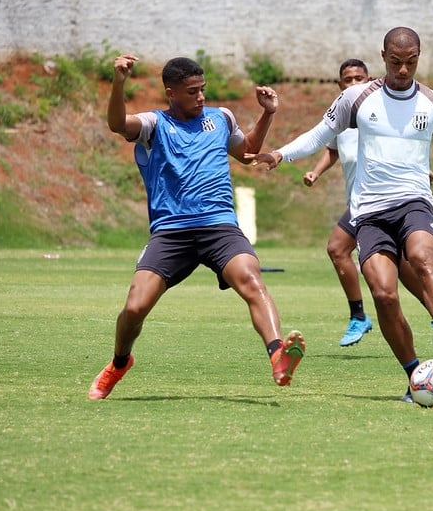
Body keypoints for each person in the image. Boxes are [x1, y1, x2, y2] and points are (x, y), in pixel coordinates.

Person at [247, 27, 433, 401]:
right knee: (384, 294)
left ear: (419, 56)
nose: (403, 70)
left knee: (421, 256)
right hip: (369, 211)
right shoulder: (357, 98)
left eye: (411, 62)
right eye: (396, 62)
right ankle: (413, 374)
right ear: (383, 56)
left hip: (414, 201)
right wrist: (279, 154)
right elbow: (321, 134)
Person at [88, 54, 305, 400]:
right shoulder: (154, 124)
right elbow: (117, 124)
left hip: (219, 227)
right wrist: (119, 82)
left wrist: (267, 113)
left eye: (203, 89)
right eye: (192, 92)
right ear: (171, 92)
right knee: (135, 307)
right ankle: (119, 363)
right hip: (171, 232)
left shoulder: (221, 118)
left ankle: (278, 353)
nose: (201, 97)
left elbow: (247, 151)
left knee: (251, 278)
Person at [303, 58, 433, 349]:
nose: (354, 84)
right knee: (391, 264)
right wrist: (315, 172)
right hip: (362, 204)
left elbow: (407, 146)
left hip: (386, 201)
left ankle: (427, 314)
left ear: (371, 80)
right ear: (340, 84)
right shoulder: (342, 115)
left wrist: (419, 172)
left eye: (360, 78)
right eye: (348, 79)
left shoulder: (380, 111)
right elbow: (331, 149)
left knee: (353, 251)